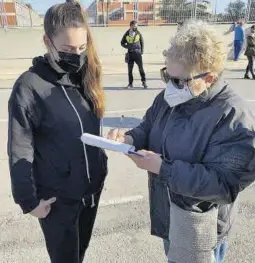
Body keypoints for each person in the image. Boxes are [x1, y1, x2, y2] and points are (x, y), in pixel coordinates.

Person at [108, 20, 255, 263]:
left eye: (178, 80)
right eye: (167, 75)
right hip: (170, 213)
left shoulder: (232, 115)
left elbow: (223, 184)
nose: (169, 86)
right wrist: (130, 137)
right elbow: (149, 125)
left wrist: (162, 168)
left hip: (199, 225)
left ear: (208, 78)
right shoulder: (170, 97)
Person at [8, 2, 108, 263]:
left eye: (82, 48)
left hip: (90, 192)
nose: (76, 55)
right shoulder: (29, 87)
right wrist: (28, 201)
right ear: (47, 41)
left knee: (80, 254)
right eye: (67, 49)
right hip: (57, 200)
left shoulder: (85, 76)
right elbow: (20, 147)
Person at [121, 20, 147, 89]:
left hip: (137, 53)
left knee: (141, 68)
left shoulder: (138, 33)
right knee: (130, 70)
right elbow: (122, 42)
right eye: (135, 26)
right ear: (131, 26)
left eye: (136, 26)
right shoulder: (127, 33)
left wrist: (141, 50)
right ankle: (130, 84)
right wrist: (127, 46)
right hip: (130, 54)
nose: (136, 27)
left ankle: (144, 82)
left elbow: (142, 41)